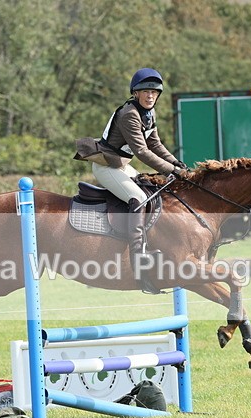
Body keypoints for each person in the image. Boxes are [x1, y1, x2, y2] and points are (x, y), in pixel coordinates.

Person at [76, 68, 193, 291]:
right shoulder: (130, 113)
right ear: (136, 93)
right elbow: (142, 152)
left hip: (122, 165)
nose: (150, 96)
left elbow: (155, 144)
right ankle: (138, 257)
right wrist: (170, 171)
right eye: (146, 91)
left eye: (154, 92)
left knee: (150, 191)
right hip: (107, 166)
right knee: (139, 197)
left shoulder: (149, 113)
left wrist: (177, 164)